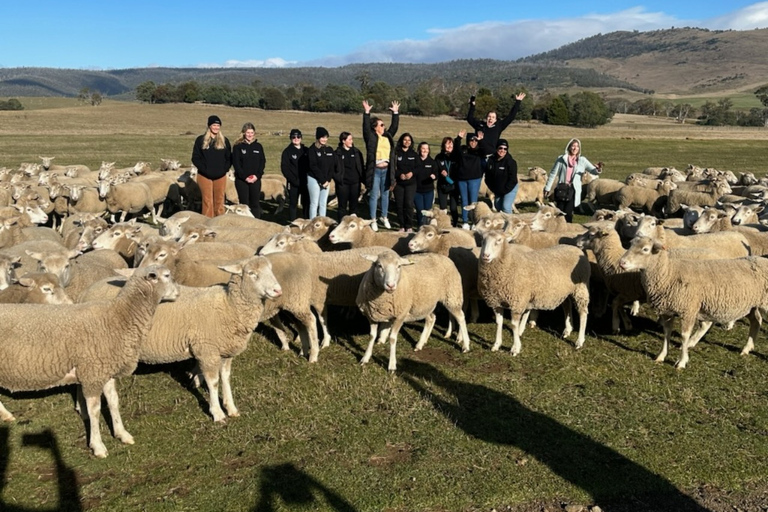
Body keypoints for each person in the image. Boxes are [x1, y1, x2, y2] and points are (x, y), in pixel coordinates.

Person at [543, 138, 603, 223]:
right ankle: (557, 230)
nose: (575, 148)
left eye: (577, 146)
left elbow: (594, 171)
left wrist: (598, 169)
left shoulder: (582, 160)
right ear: (569, 147)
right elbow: (553, 174)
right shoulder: (561, 159)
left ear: (579, 149)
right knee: (559, 211)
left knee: (568, 212)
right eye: (573, 146)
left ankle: (567, 230)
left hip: (573, 190)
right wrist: (547, 188)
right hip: (562, 188)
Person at [362, 99, 400, 231]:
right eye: (381, 125)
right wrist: (366, 112)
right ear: (375, 127)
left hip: (387, 170)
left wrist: (395, 113)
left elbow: (394, 127)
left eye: (383, 125)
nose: (384, 127)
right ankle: (373, 219)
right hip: (375, 170)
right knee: (373, 195)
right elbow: (365, 128)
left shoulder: (387, 136)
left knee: (385, 194)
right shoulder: (371, 137)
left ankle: (384, 216)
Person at [191, 115, 231, 217]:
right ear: (209, 126)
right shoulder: (200, 140)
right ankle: (207, 223)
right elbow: (195, 157)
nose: (216, 127)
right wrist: (204, 170)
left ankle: (219, 222)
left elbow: (229, 158)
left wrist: (224, 170)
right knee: (207, 201)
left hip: (220, 176)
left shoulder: (224, 141)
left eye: (218, 125)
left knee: (219, 200)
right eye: (214, 125)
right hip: (204, 176)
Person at [467, 92, 527, 156]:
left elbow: (511, 117)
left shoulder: (498, 126)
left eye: (493, 117)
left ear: (495, 119)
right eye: (489, 116)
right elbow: (469, 118)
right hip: (478, 155)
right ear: (486, 118)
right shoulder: (480, 125)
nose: (490, 119)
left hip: (491, 156)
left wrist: (518, 102)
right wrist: (472, 106)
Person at [231, 122, 266, 218]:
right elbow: (236, 164)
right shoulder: (238, 147)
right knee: (244, 204)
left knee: (255, 204)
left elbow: (262, 162)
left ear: (254, 134)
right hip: (242, 180)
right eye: (248, 132)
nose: (250, 135)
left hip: (255, 179)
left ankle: (256, 224)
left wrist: (257, 176)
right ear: (243, 133)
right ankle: (245, 225)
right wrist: (244, 177)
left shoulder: (258, 146)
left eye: (252, 132)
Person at [455, 130, 485, 229]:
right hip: (462, 179)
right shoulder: (463, 149)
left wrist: (481, 141)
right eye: (471, 140)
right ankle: (465, 221)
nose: (473, 142)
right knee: (464, 200)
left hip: (474, 179)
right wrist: (459, 138)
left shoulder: (479, 151)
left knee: (473, 202)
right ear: (468, 141)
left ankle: (474, 221)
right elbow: (456, 149)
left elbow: (485, 150)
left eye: (475, 141)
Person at [306, 126, 337, 218]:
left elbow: (332, 165)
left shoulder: (329, 150)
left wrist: (327, 180)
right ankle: (312, 222)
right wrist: (322, 180)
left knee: (323, 203)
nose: (324, 139)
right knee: (314, 203)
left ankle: (323, 223)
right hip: (314, 179)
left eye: (326, 137)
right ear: (318, 137)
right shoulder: (312, 150)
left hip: (326, 181)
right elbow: (313, 166)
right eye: (322, 137)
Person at [334, 131, 364, 220]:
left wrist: (362, 179)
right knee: (342, 207)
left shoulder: (356, 152)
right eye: (349, 139)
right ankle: (341, 225)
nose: (351, 141)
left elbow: (361, 166)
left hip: (355, 183)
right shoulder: (337, 153)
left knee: (353, 206)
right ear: (343, 141)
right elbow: (333, 168)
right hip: (343, 184)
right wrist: (338, 178)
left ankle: (353, 226)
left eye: (352, 139)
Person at [281, 128, 310, 220]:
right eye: (294, 137)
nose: (296, 138)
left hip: (305, 182)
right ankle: (292, 222)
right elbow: (284, 168)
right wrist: (293, 180)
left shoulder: (306, 150)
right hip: (293, 183)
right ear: (291, 138)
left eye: (298, 136)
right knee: (293, 203)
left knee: (306, 203)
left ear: (301, 138)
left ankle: (306, 220)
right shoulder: (287, 152)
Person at [484, 139, 518, 214]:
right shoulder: (491, 161)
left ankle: (510, 224)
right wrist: (493, 189)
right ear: (496, 148)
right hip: (498, 189)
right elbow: (487, 177)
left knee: (506, 207)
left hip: (509, 188)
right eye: (500, 148)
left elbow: (513, 180)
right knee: (498, 207)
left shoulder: (511, 162)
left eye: (505, 148)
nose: (502, 150)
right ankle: (502, 224)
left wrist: (504, 190)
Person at [393, 133, 418, 232]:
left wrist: (411, 173)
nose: (407, 142)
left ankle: (409, 226)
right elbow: (393, 168)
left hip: (411, 184)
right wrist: (400, 174)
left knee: (408, 204)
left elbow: (418, 167)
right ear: (401, 141)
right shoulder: (396, 153)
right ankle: (401, 225)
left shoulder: (414, 154)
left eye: (409, 140)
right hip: (399, 183)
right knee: (399, 204)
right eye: (405, 140)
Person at [434, 136, 461, 227]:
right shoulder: (439, 157)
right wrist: (440, 173)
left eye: (451, 143)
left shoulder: (456, 157)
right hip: (442, 185)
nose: (449, 146)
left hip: (454, 186)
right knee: (443, 209)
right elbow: (435, 170)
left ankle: (455, 224)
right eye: (447, 143)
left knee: (453, 208)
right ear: (443, 145)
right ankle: (444, 224)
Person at [413, 142, 437, 226]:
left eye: (426, 149)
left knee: (427, 211)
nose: (425, 150)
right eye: (423, 148)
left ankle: (427, 226)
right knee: (419, 210)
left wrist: (434, 176)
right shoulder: (415, 160)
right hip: (417, 191)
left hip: (428, 191)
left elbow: (436, 173)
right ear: (419, 149)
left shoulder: (432, 162)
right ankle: (420, 226)